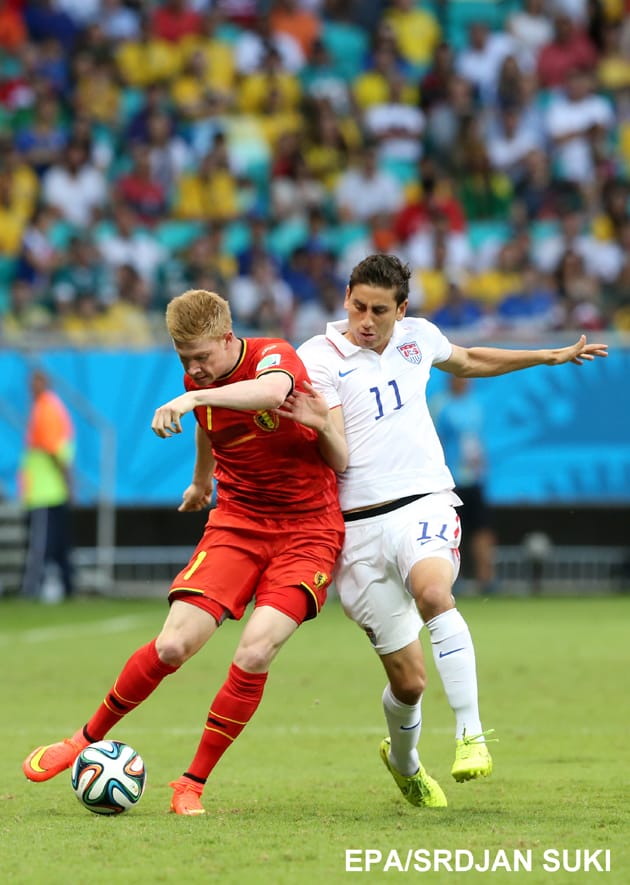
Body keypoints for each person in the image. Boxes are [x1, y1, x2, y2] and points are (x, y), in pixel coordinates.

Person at [281, 253, 607, 809]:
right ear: (345, 299)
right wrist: (317, 426)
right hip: (357, 526)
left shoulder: (419, 338)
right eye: (357, 305)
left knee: (435, 592)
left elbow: (471, 359)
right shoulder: (319, 356)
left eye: (379, 310)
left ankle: (471, 733)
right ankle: (405, 762)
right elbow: (336, 454)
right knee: (409, 683)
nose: (365, 319)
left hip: (424, 500)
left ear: (400, 310)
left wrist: (548, 355)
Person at [23, 288, 346, 816]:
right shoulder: (200, 380)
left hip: (307, 530)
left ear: (227, 337)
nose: (195, 369)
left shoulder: (273, 355)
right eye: (184, 360)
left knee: (255, 650)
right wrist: (201, 482)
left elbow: (267, 396)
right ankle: (83, 739)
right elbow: (211, 428)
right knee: (173, 645)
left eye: (202, 357)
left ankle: (191, 783)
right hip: (238, 522)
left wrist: (193, 396)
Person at [430, 375, 496, 595]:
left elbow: (476, 440)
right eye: (459, 378)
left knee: (481, 528)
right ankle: (449, 578)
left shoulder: (476, 405)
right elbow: (432, 438)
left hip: (475, 478)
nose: (464, 382)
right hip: (450, 479)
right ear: (450, 380)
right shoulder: (440, 405)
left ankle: (486, 579)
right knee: (449, 530)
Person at [20, 369, 75, 600]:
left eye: (36, 383)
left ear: (44, 384)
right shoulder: (51, 407)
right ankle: (69, 587)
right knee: (60, 543)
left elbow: (53, 450)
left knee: (40, 545)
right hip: (51, 489)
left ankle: (32, 588)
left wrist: (66, 479)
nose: (31, 388)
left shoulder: (45, 409)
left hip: (45, 490)